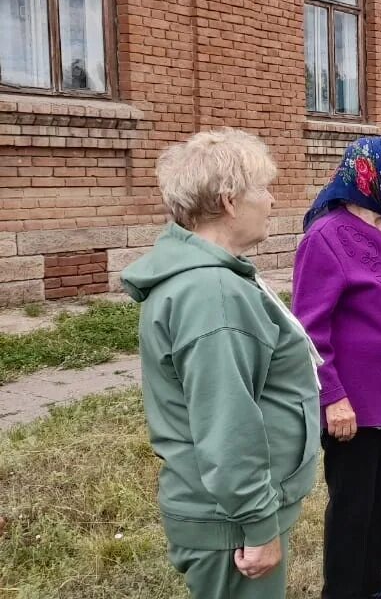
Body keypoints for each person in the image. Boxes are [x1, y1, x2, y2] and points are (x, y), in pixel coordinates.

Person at [122, 129, 320, 599]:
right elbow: (227, 423)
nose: (272, 201)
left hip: (224, 511)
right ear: (230, 202)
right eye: (264, 189)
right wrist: (257, 524)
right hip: (228, 521)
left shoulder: (211, 279)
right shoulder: (212, 293)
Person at [292, 136, 381, 599]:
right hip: (354, 403)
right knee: (353, 504)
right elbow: (309, 330)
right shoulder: (325, 237)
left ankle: (373, 585)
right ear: (369, 177)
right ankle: (344, 591)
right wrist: (333, 398)